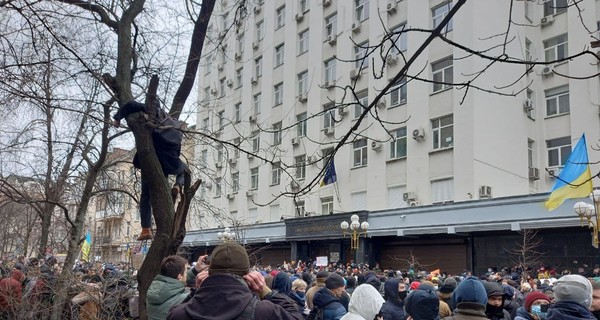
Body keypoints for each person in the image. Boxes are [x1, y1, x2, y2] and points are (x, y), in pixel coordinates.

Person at [113, 100, 189, 241]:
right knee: (184, 170)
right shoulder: (171, 122)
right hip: (169, 159)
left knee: (146, 196)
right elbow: (176, 147)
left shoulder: (150, 110)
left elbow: (130, 105)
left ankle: (146, 229)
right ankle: (178, 186)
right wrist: (174, 163)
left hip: (152, 157)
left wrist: (117, 118)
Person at [168, 242, 303, 320]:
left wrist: (195, 293)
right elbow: (296, 316)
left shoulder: (181, 314)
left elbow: (172, 313)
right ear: (247, 275)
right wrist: (266, 292)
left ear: (209, 273)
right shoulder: (264, 311)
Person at [146, 255, 189, 320]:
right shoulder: (185, 299)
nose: (187, 275)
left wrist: (195, 270)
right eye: (186, 273)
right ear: (180, 277)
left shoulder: (152, 292)